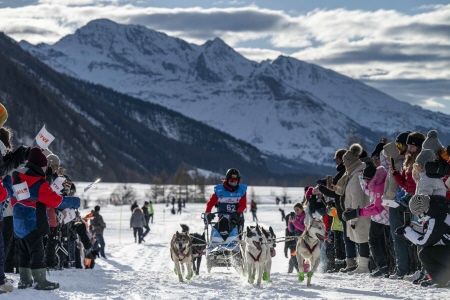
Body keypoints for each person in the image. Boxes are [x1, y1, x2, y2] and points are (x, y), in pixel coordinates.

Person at [11, 147, 80, 290]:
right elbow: (55, 201)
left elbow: (15, 198)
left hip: (18, 221)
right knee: (37, 252)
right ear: (40, 166)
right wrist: (74, 201)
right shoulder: (39, 184)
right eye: (44, 166)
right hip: (33, 222)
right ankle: (40, 281)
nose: (45, 168)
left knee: (23, 251)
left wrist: (46, 179)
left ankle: (25, 280)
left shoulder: (18, 177)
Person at [343, 162, 391, 277]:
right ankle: (383, 266)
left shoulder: (379, 186)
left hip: (384, 218)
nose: (364, 183)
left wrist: (358, 212)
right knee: (376, 241)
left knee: (379, 242)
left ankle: (385, 266)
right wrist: (358, 211)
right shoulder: (374, 184)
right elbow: (373, 204)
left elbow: (377, 208)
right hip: (379, 218)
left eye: (365, 180)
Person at [396, 194, 450, 287]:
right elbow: (432, 232)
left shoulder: (436, 218)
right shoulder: (439, 210)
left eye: (418, 214)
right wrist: (414, 227)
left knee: (425, 254)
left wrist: (407, 232)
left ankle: (442, 280)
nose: (418, 216)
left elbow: (424, 242)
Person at [334, 143, 371, 274]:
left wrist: (354, 216)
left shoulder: (356, 176)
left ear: (349, 162)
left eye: (344, 162)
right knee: (360, 240)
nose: (343, 164)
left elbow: (357, 198)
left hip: (359, 213)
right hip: (356, 212)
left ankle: (363, 267)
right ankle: (362, 266)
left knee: (362, 239)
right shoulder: (352, 173)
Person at [204, 168, 247, 234]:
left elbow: (243, 205)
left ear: (238, 181)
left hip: (236, 219)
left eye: (235, 181)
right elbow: (211, 203)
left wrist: (237, 213)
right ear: (227, 179)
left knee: (236, 238)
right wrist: (207, 213)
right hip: (222, 220)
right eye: (231, 180)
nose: (233, 183)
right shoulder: (219, 191)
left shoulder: (241, 191)